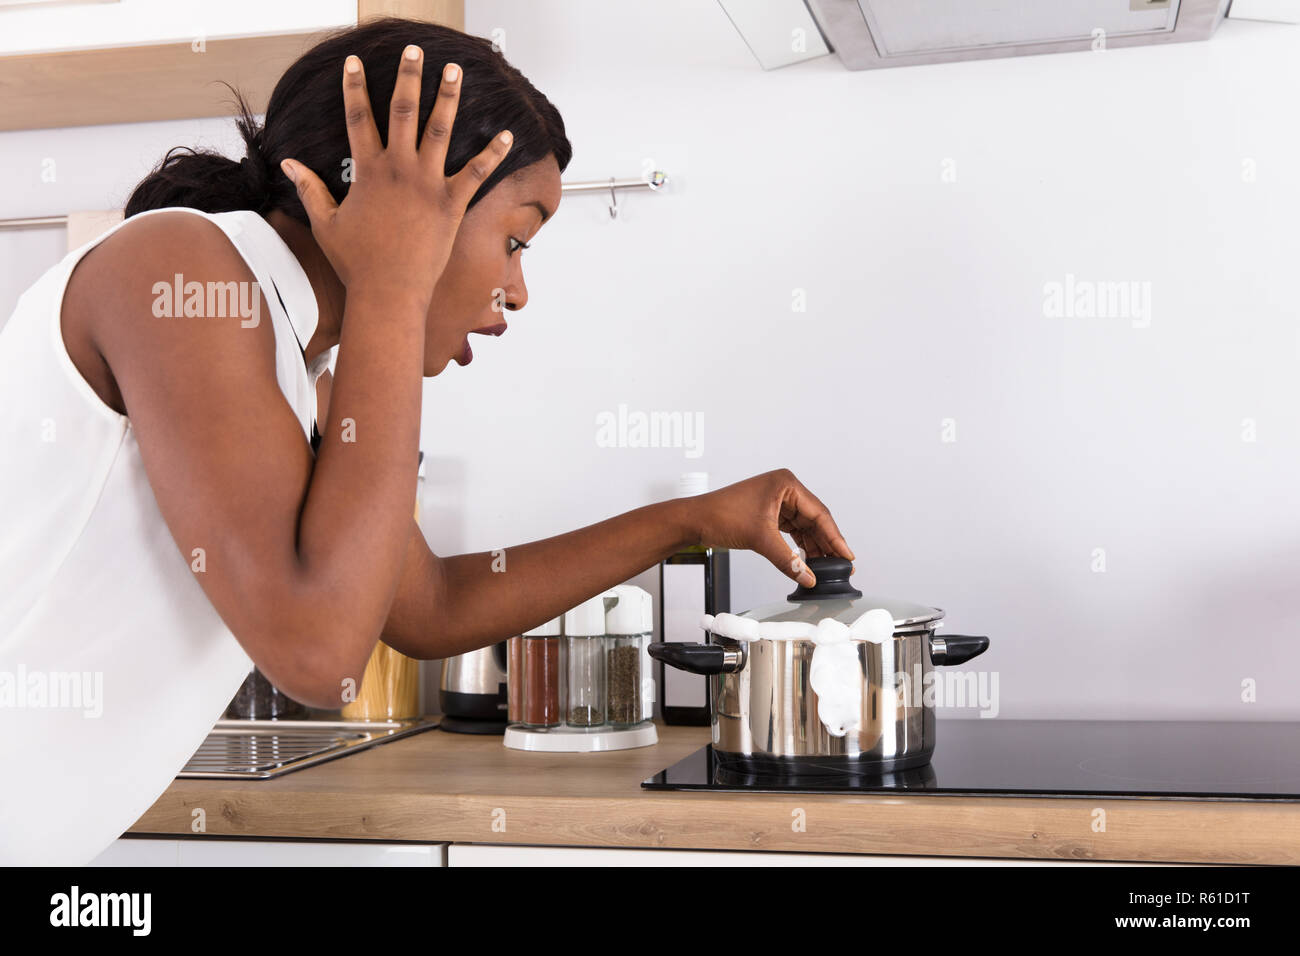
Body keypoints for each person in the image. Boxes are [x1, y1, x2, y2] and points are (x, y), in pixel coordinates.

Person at [0, 17, 853, 864]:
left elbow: (432, 605)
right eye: (515, 241)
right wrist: (392, 286)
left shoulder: (297, 369)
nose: (518, 292)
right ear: (406, 203)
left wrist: (694, 519)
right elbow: (319, 651)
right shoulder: (178, 268)